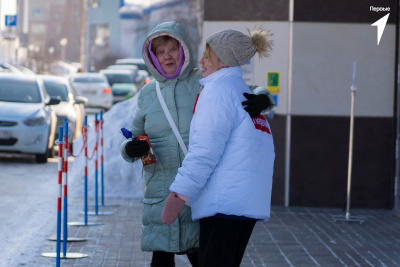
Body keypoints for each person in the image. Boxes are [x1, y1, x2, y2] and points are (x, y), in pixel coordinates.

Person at [120, 21, 274, 267]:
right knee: (161, 259)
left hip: (197, 192)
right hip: (160, 192)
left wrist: (262, 97)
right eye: (160, 52)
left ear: (183, 50)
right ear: (152, 57)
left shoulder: (203, 80)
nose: (167, 56)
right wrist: (129, 149)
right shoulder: (148, 94)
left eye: (172, 49)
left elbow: (243, 90)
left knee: (203, 257)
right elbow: (135, 134)